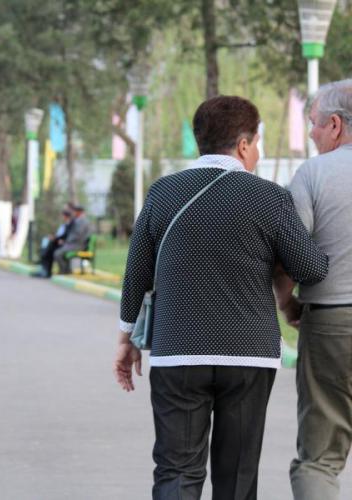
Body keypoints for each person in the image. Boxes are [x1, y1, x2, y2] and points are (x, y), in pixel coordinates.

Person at [114, 95, 329, 500]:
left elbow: (136, 273)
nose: (258, 152)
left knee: (176, 471)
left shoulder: (163, 192)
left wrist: (127, 340)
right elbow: (311, 269)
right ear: (244, 145)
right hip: (248, 356)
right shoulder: (270, 198)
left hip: (177, 352)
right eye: (258, 143)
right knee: (237, 476)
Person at [274, 79, 352, 500]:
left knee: (319, 458)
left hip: (332, 323)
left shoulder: (314, 174)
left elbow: (288, 250)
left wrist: (287, 302)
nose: (310, 133)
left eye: (315, 123)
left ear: (335, 125)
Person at [33, 209, 74, 278]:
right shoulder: (65, 224)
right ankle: (44, 270)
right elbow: (61, 235)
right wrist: (55, 238)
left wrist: (57, 239)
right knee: (46, 249)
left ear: (66, 216)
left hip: (63, 244)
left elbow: (66, 236)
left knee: (49, 251)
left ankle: (46, 271)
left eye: (63, 216)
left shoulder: (70, 225)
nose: (62, 217)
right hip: (58, 242)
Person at [53, 205, 90, 274]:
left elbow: (78, 235)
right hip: (73, 244)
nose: (74, 213)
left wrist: (66, 241)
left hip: (78, 245)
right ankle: (67, 270)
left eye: (75, 211)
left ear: (79, 212)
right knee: (59, 252)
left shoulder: (82, 221)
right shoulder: (77, 220)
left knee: (57, 253)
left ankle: (63, 271)